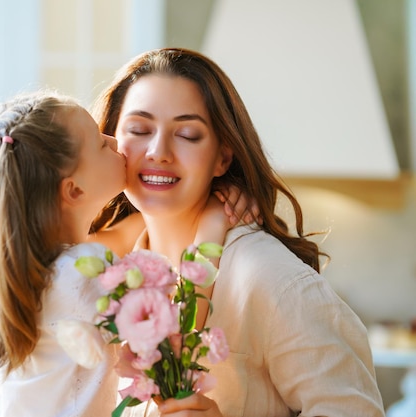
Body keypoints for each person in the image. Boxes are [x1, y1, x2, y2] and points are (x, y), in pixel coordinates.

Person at [88, 48, 385, 416]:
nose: (158, 151)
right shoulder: (113, 280)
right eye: (139, 129)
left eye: (187, 134)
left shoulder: (268, 277)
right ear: (112, 142)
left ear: (222, 158)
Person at [0, 90, 251, 416]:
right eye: (100, 143)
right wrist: (212, 224)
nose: (116, 141)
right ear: (74, 189)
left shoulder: (37, 272)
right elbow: (177, 327)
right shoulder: (79, 275)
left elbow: (122, 235)